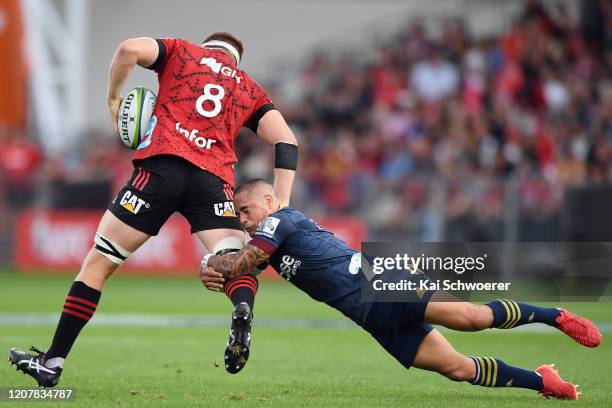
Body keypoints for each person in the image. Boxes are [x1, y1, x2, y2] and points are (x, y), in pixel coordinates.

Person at [9, 33, 298, 386]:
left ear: (207, 46)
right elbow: (286, 141)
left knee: (99, 264)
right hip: (212, 181)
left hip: (161, 169)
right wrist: (281, 204)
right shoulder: (250, 89)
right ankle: (243, 309)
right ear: (236, 60)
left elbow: (128, 50)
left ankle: (52, 361)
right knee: (234, 259)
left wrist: (114, 96)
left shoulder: (182, 51)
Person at [199, 179, 601, 400]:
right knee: (458, 369)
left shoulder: (279, 221)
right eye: (239, 216)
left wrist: (212, 261)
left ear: (268, 200)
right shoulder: (268, 239)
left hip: (384, 284)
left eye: (246, 211)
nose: (243, 220)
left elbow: (241, 263)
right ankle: (542, 380)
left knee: (473, 319)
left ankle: (556, 316)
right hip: (371, 317)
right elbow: (245, 276)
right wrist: (234, 297)